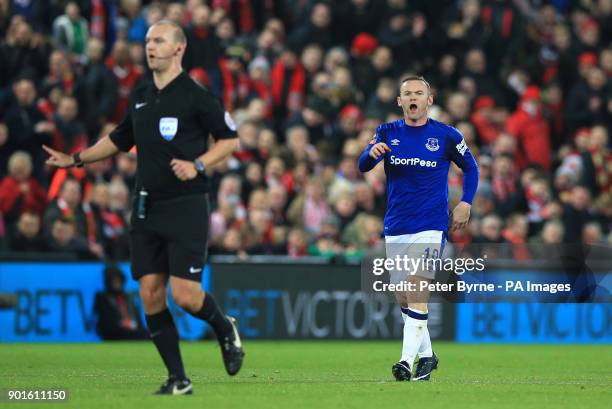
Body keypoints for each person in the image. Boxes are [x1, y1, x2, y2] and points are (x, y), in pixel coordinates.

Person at [43, 20, 244, 395]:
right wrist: (75, 159)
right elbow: (118, 139)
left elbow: (230, 140)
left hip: (186, 205)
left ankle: (223, 327)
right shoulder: (140, 95)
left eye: (159, 41)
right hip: (146, 206)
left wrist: (198, 164)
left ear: (179, 49)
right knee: (150, 293)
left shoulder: (196, 96)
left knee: (184, 296)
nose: (150, 46)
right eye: (148, 40)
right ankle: (178, 379)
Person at [358, 76, 479, 381]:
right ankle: (427, 356)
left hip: (431, 224)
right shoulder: (386, 132)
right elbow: (362, 164)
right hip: (397, 225)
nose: (413, 98)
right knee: (403, 297)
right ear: (399, 101)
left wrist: (465, 202)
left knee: (416, 289)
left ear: (429, 100)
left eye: (419, 93)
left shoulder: (446, 135)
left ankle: (405, 361)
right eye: (407, 93)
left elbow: (472, 167)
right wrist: (369, 155)